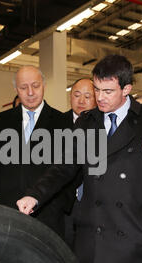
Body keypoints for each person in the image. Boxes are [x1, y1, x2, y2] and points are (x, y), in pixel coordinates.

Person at [16, 55, 142, 263]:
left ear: (127, 89)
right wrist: (35, 195)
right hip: (95, 230)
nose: (99, 97)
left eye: (108, 91)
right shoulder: (87, 123)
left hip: (135, 230)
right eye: (97, 89)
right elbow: (64, 167)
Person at [0, 65, 71, 263]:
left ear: (44, 86)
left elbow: (68, 170)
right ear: (16, 89)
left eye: (35, 85)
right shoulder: (1, 120)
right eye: (23, 87)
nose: (30, 92)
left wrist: (59, 204)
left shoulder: (62, 121)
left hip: (47, 216)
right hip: (8, 214)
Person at [62, 78, 97, 247]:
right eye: (77, 95)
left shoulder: (104, 126)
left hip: (94, 205)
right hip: (63, 205)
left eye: (87, 96)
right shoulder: (54, 123)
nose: (81, 101)